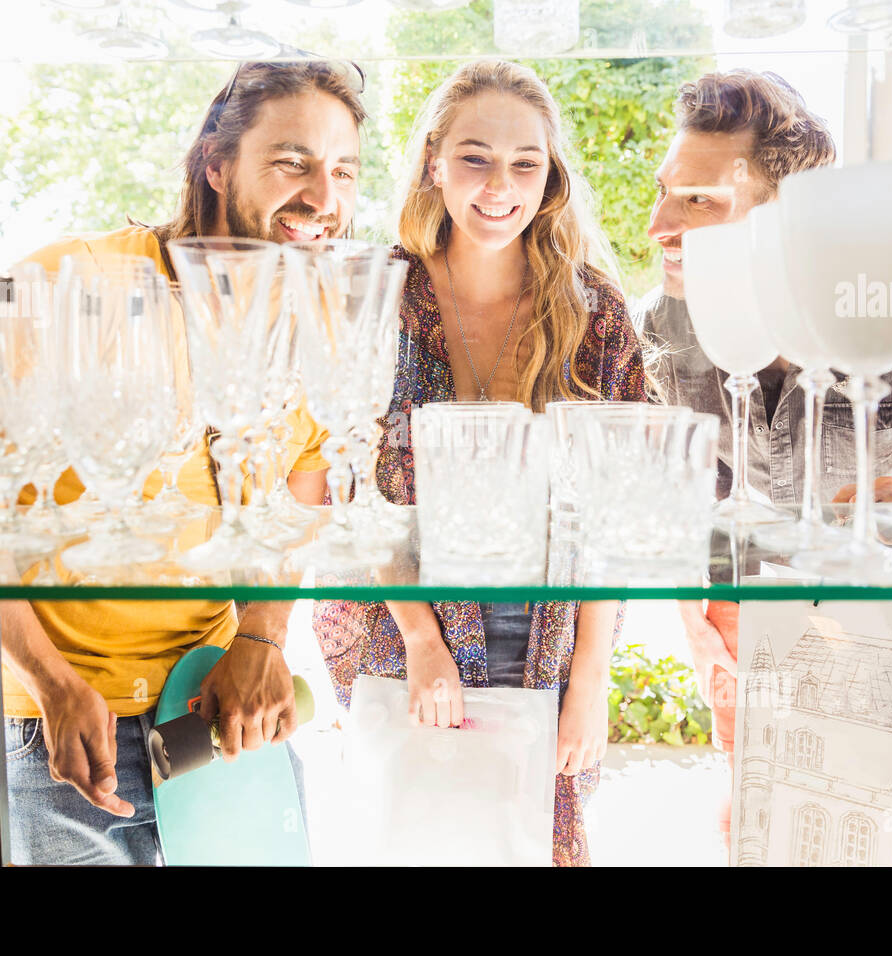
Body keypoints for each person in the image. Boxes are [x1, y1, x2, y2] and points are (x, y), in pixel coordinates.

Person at [633, 69, 892, 843]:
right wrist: (695, 614)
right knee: (765, 828)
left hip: (891, 620)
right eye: (665, 189)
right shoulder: (666, 327)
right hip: (747, 620)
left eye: (698, 200)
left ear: (785, 221)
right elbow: (682, 490)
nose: (657, 225)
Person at [0, 59, 365, 864]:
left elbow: (299, 504)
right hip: (57, 723)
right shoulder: (71, 284)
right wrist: (51, 687)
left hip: (214, 702)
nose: (324, 199)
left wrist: (263, 641)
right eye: (292, 162)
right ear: (215, 162)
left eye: (343, 170)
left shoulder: (316, 314)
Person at [313, 59, 647, 867]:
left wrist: (592, 683)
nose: (501, 185)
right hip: (396, 623)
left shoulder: (594, 310)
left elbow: (615, 515)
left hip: (550, 631)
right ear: (434, 160)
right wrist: (423, 641)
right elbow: (352, 491)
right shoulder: (376, 294)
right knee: (418, 837)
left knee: (536, 841)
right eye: (475, 157)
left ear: (550, 174)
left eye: (525, 163)